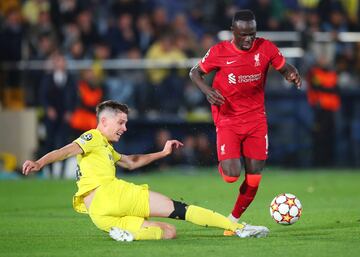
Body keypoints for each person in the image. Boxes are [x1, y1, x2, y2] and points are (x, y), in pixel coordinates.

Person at [22, 100, 269, 241]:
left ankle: (123, 234)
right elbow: (66, 150)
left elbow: (130, 162)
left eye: (126, 123)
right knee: (180, 210)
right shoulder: (92, 136)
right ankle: (239, 228)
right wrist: (39, 163)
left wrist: (162, 153)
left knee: (169, 233)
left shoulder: (105, 147)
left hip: (99, 215)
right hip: (110, 194)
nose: (125, 128)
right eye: (121, 122)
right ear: (104, 121)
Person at [189, 10, 301, 236]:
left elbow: (284, 67)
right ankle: (225, 158)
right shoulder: (219, 52)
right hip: (228, 117)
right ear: (234, 32)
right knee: (231, 175)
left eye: (252, 33)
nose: (249, 39)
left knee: (254, 176)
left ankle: (233, 221)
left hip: (256, 119)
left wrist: (291, 73)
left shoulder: (266, 48)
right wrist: (208, 91)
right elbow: (194, 72)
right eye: (244, 35)